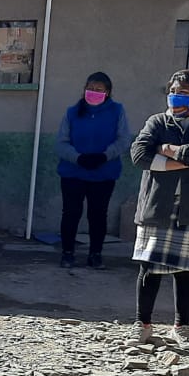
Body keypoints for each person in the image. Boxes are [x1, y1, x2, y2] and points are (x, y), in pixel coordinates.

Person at [128, 69, 189, 350]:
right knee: (149, 267)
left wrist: (169, 150)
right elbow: (139, 155)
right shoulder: (158, 121)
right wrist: (186, 160)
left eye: (183, 93)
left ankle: (182, 327)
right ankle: (142, 324)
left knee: (187, 270)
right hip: (158, 206)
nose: (175, 97)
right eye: (173, 91)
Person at [54, 71, 133, 269]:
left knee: (98, 215)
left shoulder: (117, 111)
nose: (93, 92)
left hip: (104, 172)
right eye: (90, 88)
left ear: (108, 92)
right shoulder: (72, 112)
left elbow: (124, 139)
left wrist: (105, 156)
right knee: (71, 213)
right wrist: (78, 158)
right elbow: (60, 143)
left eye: (99, 90)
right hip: (73, 172)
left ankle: (95, 254)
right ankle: (67, 253)